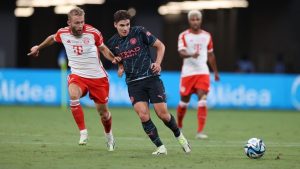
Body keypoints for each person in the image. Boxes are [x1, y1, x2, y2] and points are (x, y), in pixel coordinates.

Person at [27, 7, 121, 151]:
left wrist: (115, 60)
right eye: (76, 23)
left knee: (104, 113)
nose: (80, 26)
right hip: (78, 75)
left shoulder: (93, 33)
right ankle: (83, 132)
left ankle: (109, 137)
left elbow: (103, 49)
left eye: (82, 22)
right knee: (73, 95)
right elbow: (52, 38)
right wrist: (38, 47)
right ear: (69, 22)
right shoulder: (63, 33)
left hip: (97, 77)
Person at [107, 10, 191, 155]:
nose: (126, 28)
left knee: (163, 114)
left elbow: (161, 46)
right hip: (133, 83)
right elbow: (119, 59)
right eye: (122, 25)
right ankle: (160, 147)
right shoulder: (112, 43)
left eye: (127, 24)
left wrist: (158, 63)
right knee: (143, 115)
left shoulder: (139, 32)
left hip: (151, 78)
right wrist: (120, 67)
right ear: (115, 25)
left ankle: (180, 136)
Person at [177, 10, 220, 139]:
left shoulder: (207, 36)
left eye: (197, 19)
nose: (195, 21)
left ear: (200, 20)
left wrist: (215, 72)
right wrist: (191, 54)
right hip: (188, 73)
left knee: (203, 99)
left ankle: (200, 131)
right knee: (184, 101)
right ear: (189, 21)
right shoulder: (183, 35)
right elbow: (181, 53)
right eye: (193, 19)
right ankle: (179, 126)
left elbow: (211, 55)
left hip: (202, 72)